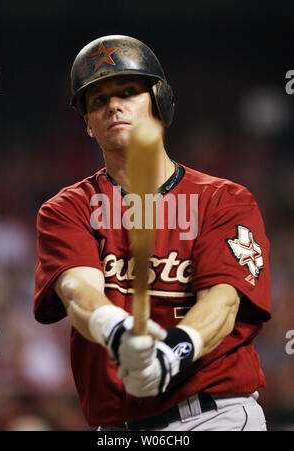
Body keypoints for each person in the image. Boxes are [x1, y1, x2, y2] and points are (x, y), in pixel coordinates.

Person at [34, 35, 271, 431]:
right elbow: (78, 292)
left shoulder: (223, 200)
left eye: (128, 91)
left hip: (215, 416)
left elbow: (224, 303)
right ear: (88, 124)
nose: (112, 105)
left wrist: (171, 353)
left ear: (160, 102)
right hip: (117, 428)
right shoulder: (67, 208)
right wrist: (117, 330)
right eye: (97, 100)